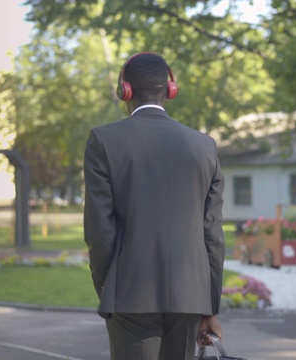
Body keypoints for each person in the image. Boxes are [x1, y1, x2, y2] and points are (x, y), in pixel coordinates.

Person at [83, 52, 226, 360]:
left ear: (125, 90)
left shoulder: (103, 140)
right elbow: (212, 235)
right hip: (190, 296)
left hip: (129, 293)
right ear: (169, 90)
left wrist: (109, 289)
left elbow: (99, 230)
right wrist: (211, 306)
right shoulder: (204, 147)